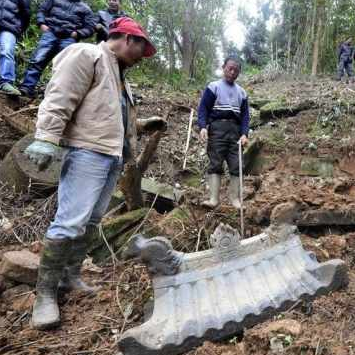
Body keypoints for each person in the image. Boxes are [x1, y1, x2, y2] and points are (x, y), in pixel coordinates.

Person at [24, 17, 163, 330]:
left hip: (110, 156)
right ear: (128, 38)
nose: (143, 56)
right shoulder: (87, 55)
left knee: (91, 221)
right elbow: (60, 96)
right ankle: (44, 295)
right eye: (142, 47)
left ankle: (70, 276)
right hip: (87, 152)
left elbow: (110, 117)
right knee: (70, 220)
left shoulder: (119, 75)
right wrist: (46, 137)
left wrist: (135, 137)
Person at [197, 57, 250, 209]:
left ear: (239, 72)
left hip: (235, 131)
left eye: (236, 70)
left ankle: (235, 200)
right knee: (215, 163)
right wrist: (203, 127)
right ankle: (214, 199)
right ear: (223, 67)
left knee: (237, 164)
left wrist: (244, 133)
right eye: (229, 68)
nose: (232, 72)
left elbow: (245, 116)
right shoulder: (213, 87)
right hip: (217, 130)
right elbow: (203, 109)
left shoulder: (242, 92)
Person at [19, 0, 97, 98]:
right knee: (38, 59)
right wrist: (42, 23)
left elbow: (90, 27)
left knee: (64, 67)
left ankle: (53, 95)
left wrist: (77, 33)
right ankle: (27, 87)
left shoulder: (86, 9)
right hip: (50, 32)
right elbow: (42, 10)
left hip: (69, 37)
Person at [0, 0, 30, 95]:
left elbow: (26, 13)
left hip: (10, 27)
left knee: (7, 51)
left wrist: (19, 28)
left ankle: (6, 82)